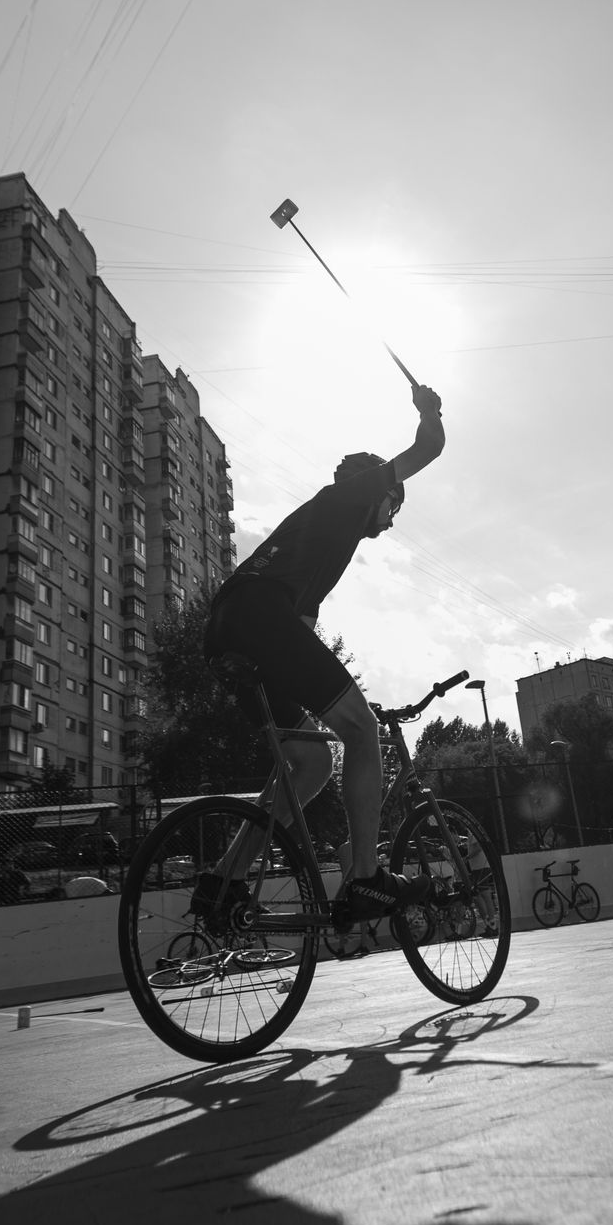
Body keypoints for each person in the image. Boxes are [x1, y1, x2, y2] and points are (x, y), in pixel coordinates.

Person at [199, 382, 446, 923]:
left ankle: (224, 880)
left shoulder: (318, 542)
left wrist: (338, 698)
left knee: (311, 762)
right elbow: (429, 448)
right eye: (394, 506)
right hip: (259, 615)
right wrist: (429, 410)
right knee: (361, 731)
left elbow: (303, 642)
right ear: (380, 492)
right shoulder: (347, 498)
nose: (391, 519)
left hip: (229, 629)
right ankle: (366, 879)